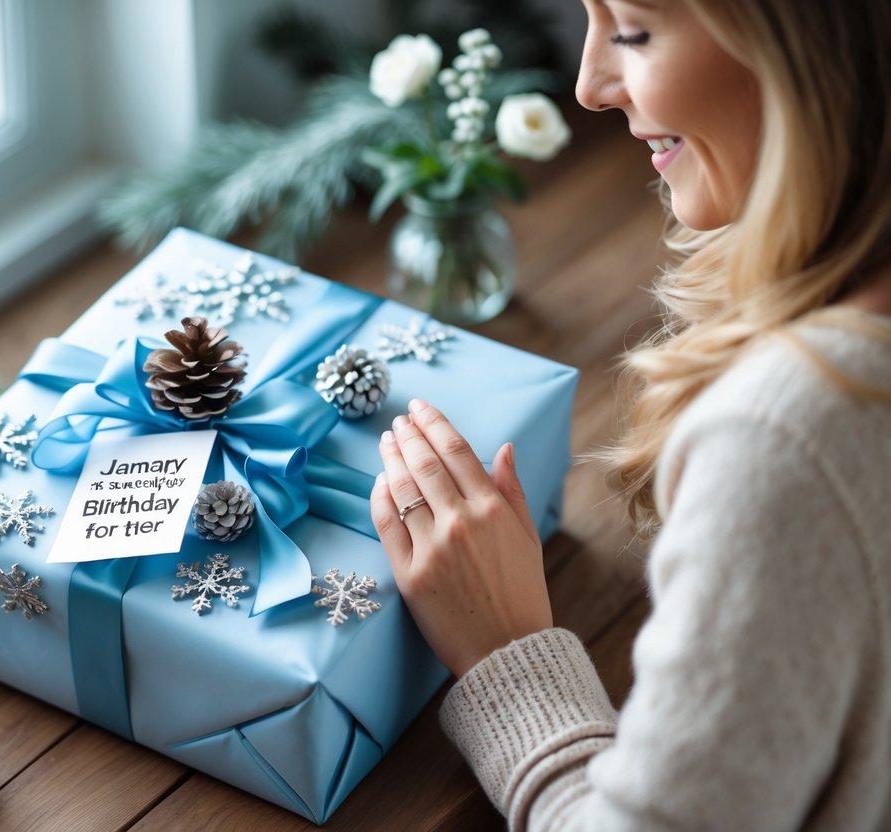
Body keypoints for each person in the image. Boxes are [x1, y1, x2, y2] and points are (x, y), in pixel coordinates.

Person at [370, 0, 891, 828]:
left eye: (634, 30)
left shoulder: (791, 440)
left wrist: (505, 655)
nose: (587, 85)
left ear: (809, 49)